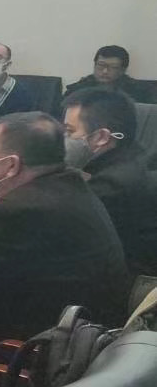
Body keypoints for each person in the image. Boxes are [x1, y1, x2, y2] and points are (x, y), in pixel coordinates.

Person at [0, 112, 128, 352]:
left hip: (37, 348)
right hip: (85, 333)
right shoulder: (68, 185)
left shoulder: (23, 209)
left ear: (11, 165)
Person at [63, 88, 157, 276]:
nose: (63, 139)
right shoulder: (133, 156)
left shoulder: (111, 186)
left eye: (69, 131)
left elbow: (65, 236)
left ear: (101, 137)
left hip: (126, 281)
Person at [65, 45, 154, 104]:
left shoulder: (138, 92)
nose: (105, 71)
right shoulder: (79, 88)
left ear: (123, 70)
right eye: (101, 65)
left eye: (113, 67)